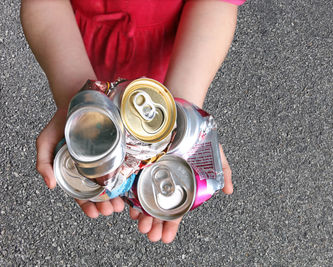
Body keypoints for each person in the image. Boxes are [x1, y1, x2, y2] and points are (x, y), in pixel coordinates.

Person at [20, 0, 245, 243]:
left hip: (177, 53)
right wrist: (75, 97)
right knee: (135, 105)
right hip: (72, 44)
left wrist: (183, 112)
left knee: (148, 103)